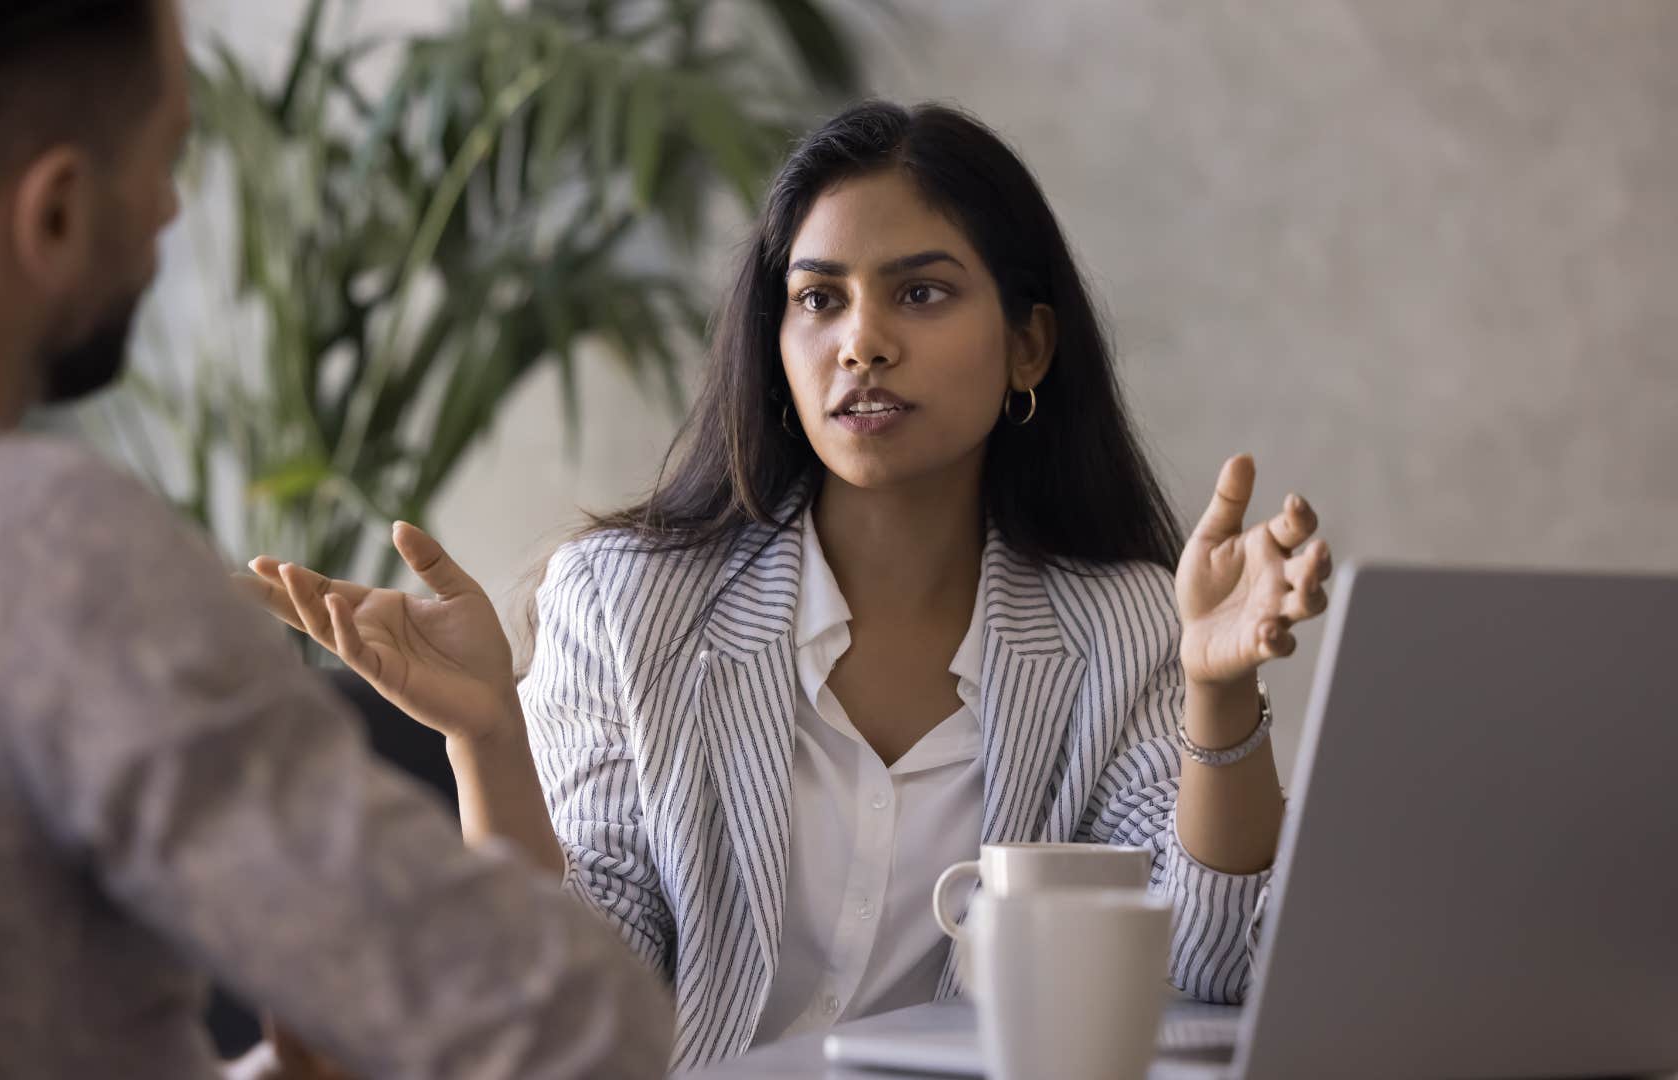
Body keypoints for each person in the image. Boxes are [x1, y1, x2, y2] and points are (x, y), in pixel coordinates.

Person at [246, 101, 1334, 1070]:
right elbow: (572, 999)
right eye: (819, 300)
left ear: (1029, 347)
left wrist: (1217, 696)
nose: (862, 343)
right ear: (776, 348)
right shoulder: (624, 605)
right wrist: (486, 738)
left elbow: (1209, 968)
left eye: (921, 292)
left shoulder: (1122, 627)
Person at [0, 2, 672, 1077]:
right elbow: (567, 1026)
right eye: (163, 160)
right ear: (53, 213)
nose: (168, 208)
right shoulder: (47, 555)